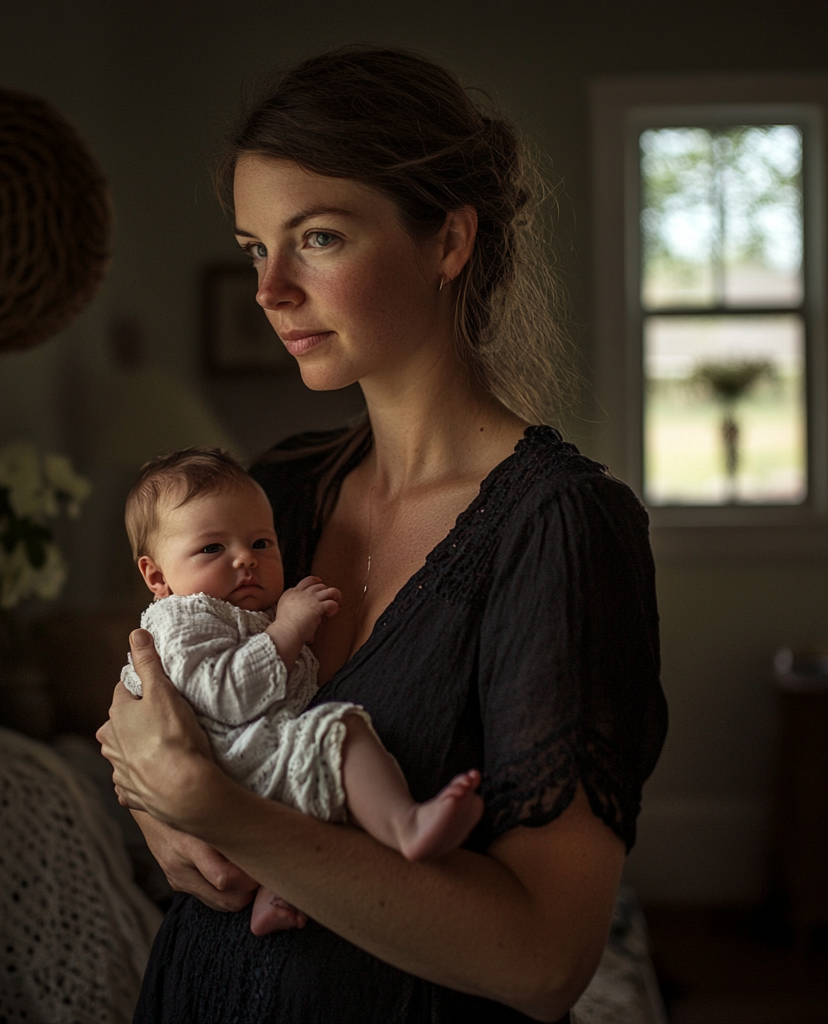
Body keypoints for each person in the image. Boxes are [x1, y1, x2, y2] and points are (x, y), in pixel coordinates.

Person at [96, 47, 667, 1023]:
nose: (269, 288)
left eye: (315, 238)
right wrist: (156, 809)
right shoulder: (268, 494)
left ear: (448, 241)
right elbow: (147, 717)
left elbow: (542, 960)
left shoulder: (560, 531)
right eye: (252, 248)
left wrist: (216, 809)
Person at [120, 446, 484, 937]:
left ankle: (275, 891)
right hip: (231, 760)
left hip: (243, 772)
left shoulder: (242, 615)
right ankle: (406, 825)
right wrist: (286, 630)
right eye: (212, 549)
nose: (245, 559)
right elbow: (219, 694)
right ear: (156, 576)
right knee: (339, 729)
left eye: (262, 543)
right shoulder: (182, 619)